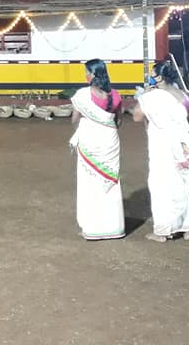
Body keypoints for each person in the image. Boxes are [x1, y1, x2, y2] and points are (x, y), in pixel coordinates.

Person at [131, 68, 189, 242]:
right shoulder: (182, 95)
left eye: (152, 75)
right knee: (182, 186)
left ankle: (162, 231)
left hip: (163, 146)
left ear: (159, 78)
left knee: (160, 187)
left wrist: (143, 95)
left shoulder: (151, 97)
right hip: (184, 146)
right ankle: (186, 228)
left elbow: (137, 117)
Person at [69, 58, 125, 240]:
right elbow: (119, 121)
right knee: (110, 182)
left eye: (86, 71)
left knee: (90, 184)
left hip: (90, 143)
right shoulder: (115, 95)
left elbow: (74, 120)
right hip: (110, 142)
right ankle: (113, 228)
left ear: (92, 75)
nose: (84, 75)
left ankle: (93, 227)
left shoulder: (82, 96)